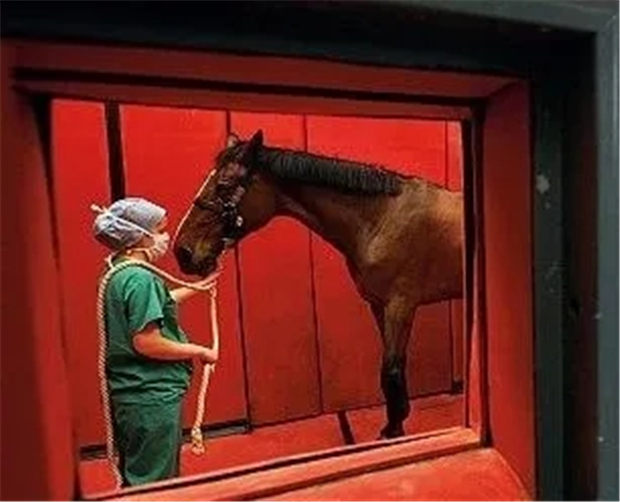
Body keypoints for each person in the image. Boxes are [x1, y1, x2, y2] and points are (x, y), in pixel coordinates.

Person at [92, 197, 218, 487]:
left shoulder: (119, 271)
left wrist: (196, 288)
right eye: (159, 230)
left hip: (132, 396)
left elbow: (152, 304)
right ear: (138, 236)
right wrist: (199, 351)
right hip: (151, 396)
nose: (165, 237)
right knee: (155, 482)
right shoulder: (141, 280)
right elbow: (147, 342)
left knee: (139, 472)